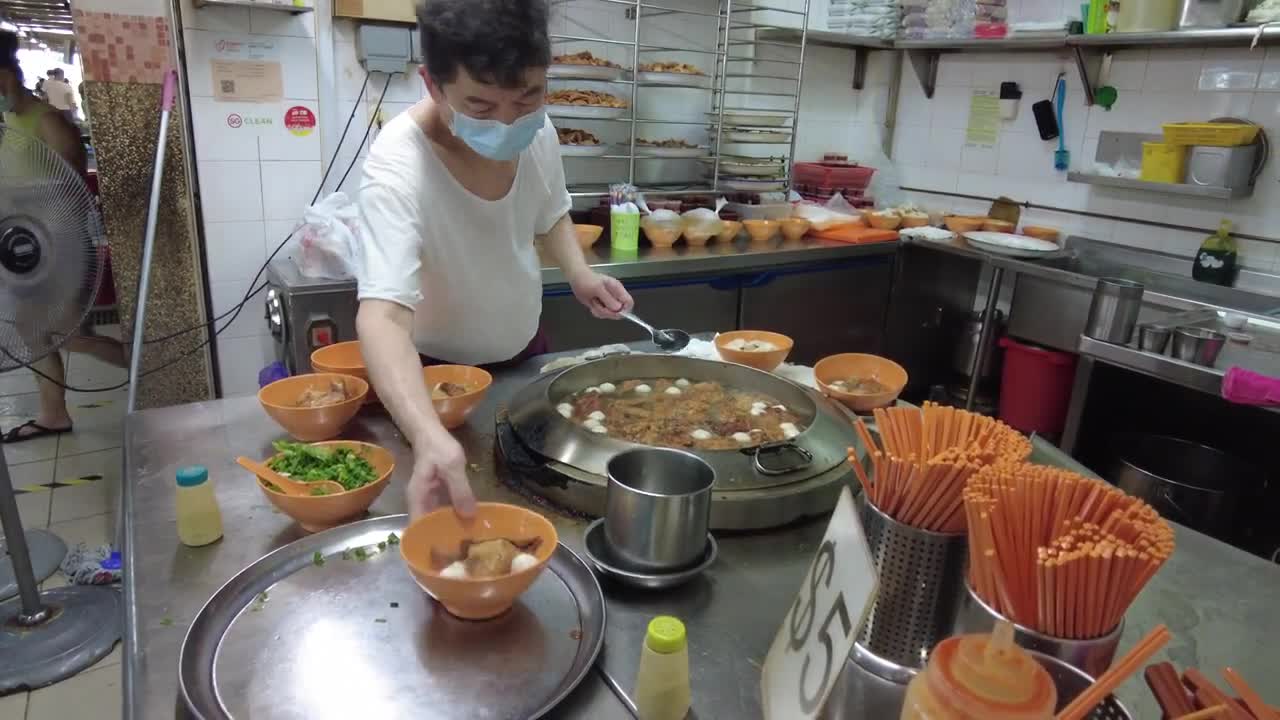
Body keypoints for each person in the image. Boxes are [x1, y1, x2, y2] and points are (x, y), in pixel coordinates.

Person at [355, 0, 634, 520]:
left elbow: (550, 211)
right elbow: (383, 315)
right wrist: (426, 434)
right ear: (433, 85)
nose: (508, 124)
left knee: (544, 511)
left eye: (528, 98)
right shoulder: (397, 162)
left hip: (527, 359)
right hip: (438, 384)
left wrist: (578, 273)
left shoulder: (539, 131)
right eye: (481, 108)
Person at [0, 31, 127, 444]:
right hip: (27, 249)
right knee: (31, 330)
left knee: (72, 335)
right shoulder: (11, 121)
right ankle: (53, 414)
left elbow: (74, 193)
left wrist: (20, 200)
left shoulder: (49, 123)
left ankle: (153, 368)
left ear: (5, 78)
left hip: (62, 246)